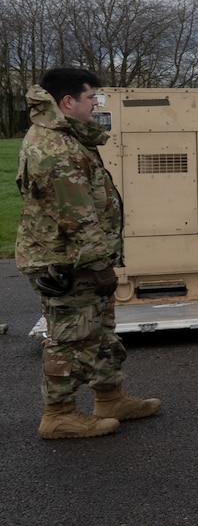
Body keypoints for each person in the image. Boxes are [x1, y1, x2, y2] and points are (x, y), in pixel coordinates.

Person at [15, 68, 159, 439]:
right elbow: (75, 218)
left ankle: (110, 398)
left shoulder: (69, 137)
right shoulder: (56, 149)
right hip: (69, 263)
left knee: (100, 332)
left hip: (85, 260)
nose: (96, 104)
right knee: (70, 338)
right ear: (67, 102)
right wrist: (99, 267)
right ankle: (58, 414)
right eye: (91, 97)